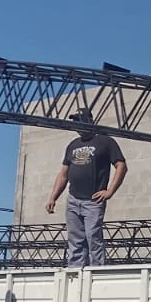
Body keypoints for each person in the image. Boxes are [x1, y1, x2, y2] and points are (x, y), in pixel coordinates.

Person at [45, 114, 128, 267]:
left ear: (90, 121)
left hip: (93, 200)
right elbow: (63, 174)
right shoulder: (73, 145)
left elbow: (121, 166)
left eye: (80, 121)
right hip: (73, 199)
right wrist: (53, 197)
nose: (77, 125)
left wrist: (109, 191)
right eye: (75, 122)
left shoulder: (105, 141)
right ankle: (76, 272)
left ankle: (97, 272)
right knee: (75, 239)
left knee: (93, 238)